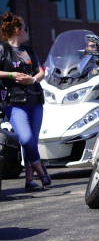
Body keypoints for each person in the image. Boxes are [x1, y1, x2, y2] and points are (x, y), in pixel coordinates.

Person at [0, 12, 50, 191]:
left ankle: (30, 180)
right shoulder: (2, 50)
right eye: (26, 29)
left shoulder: (28, 50)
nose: (28, 32)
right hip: (14, 102)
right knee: (26, 138)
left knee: (32, 142)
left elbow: (41, 71)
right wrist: (12, 74)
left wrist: (33, 80)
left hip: (35, 99)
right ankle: (40, 169)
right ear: (18, 30)